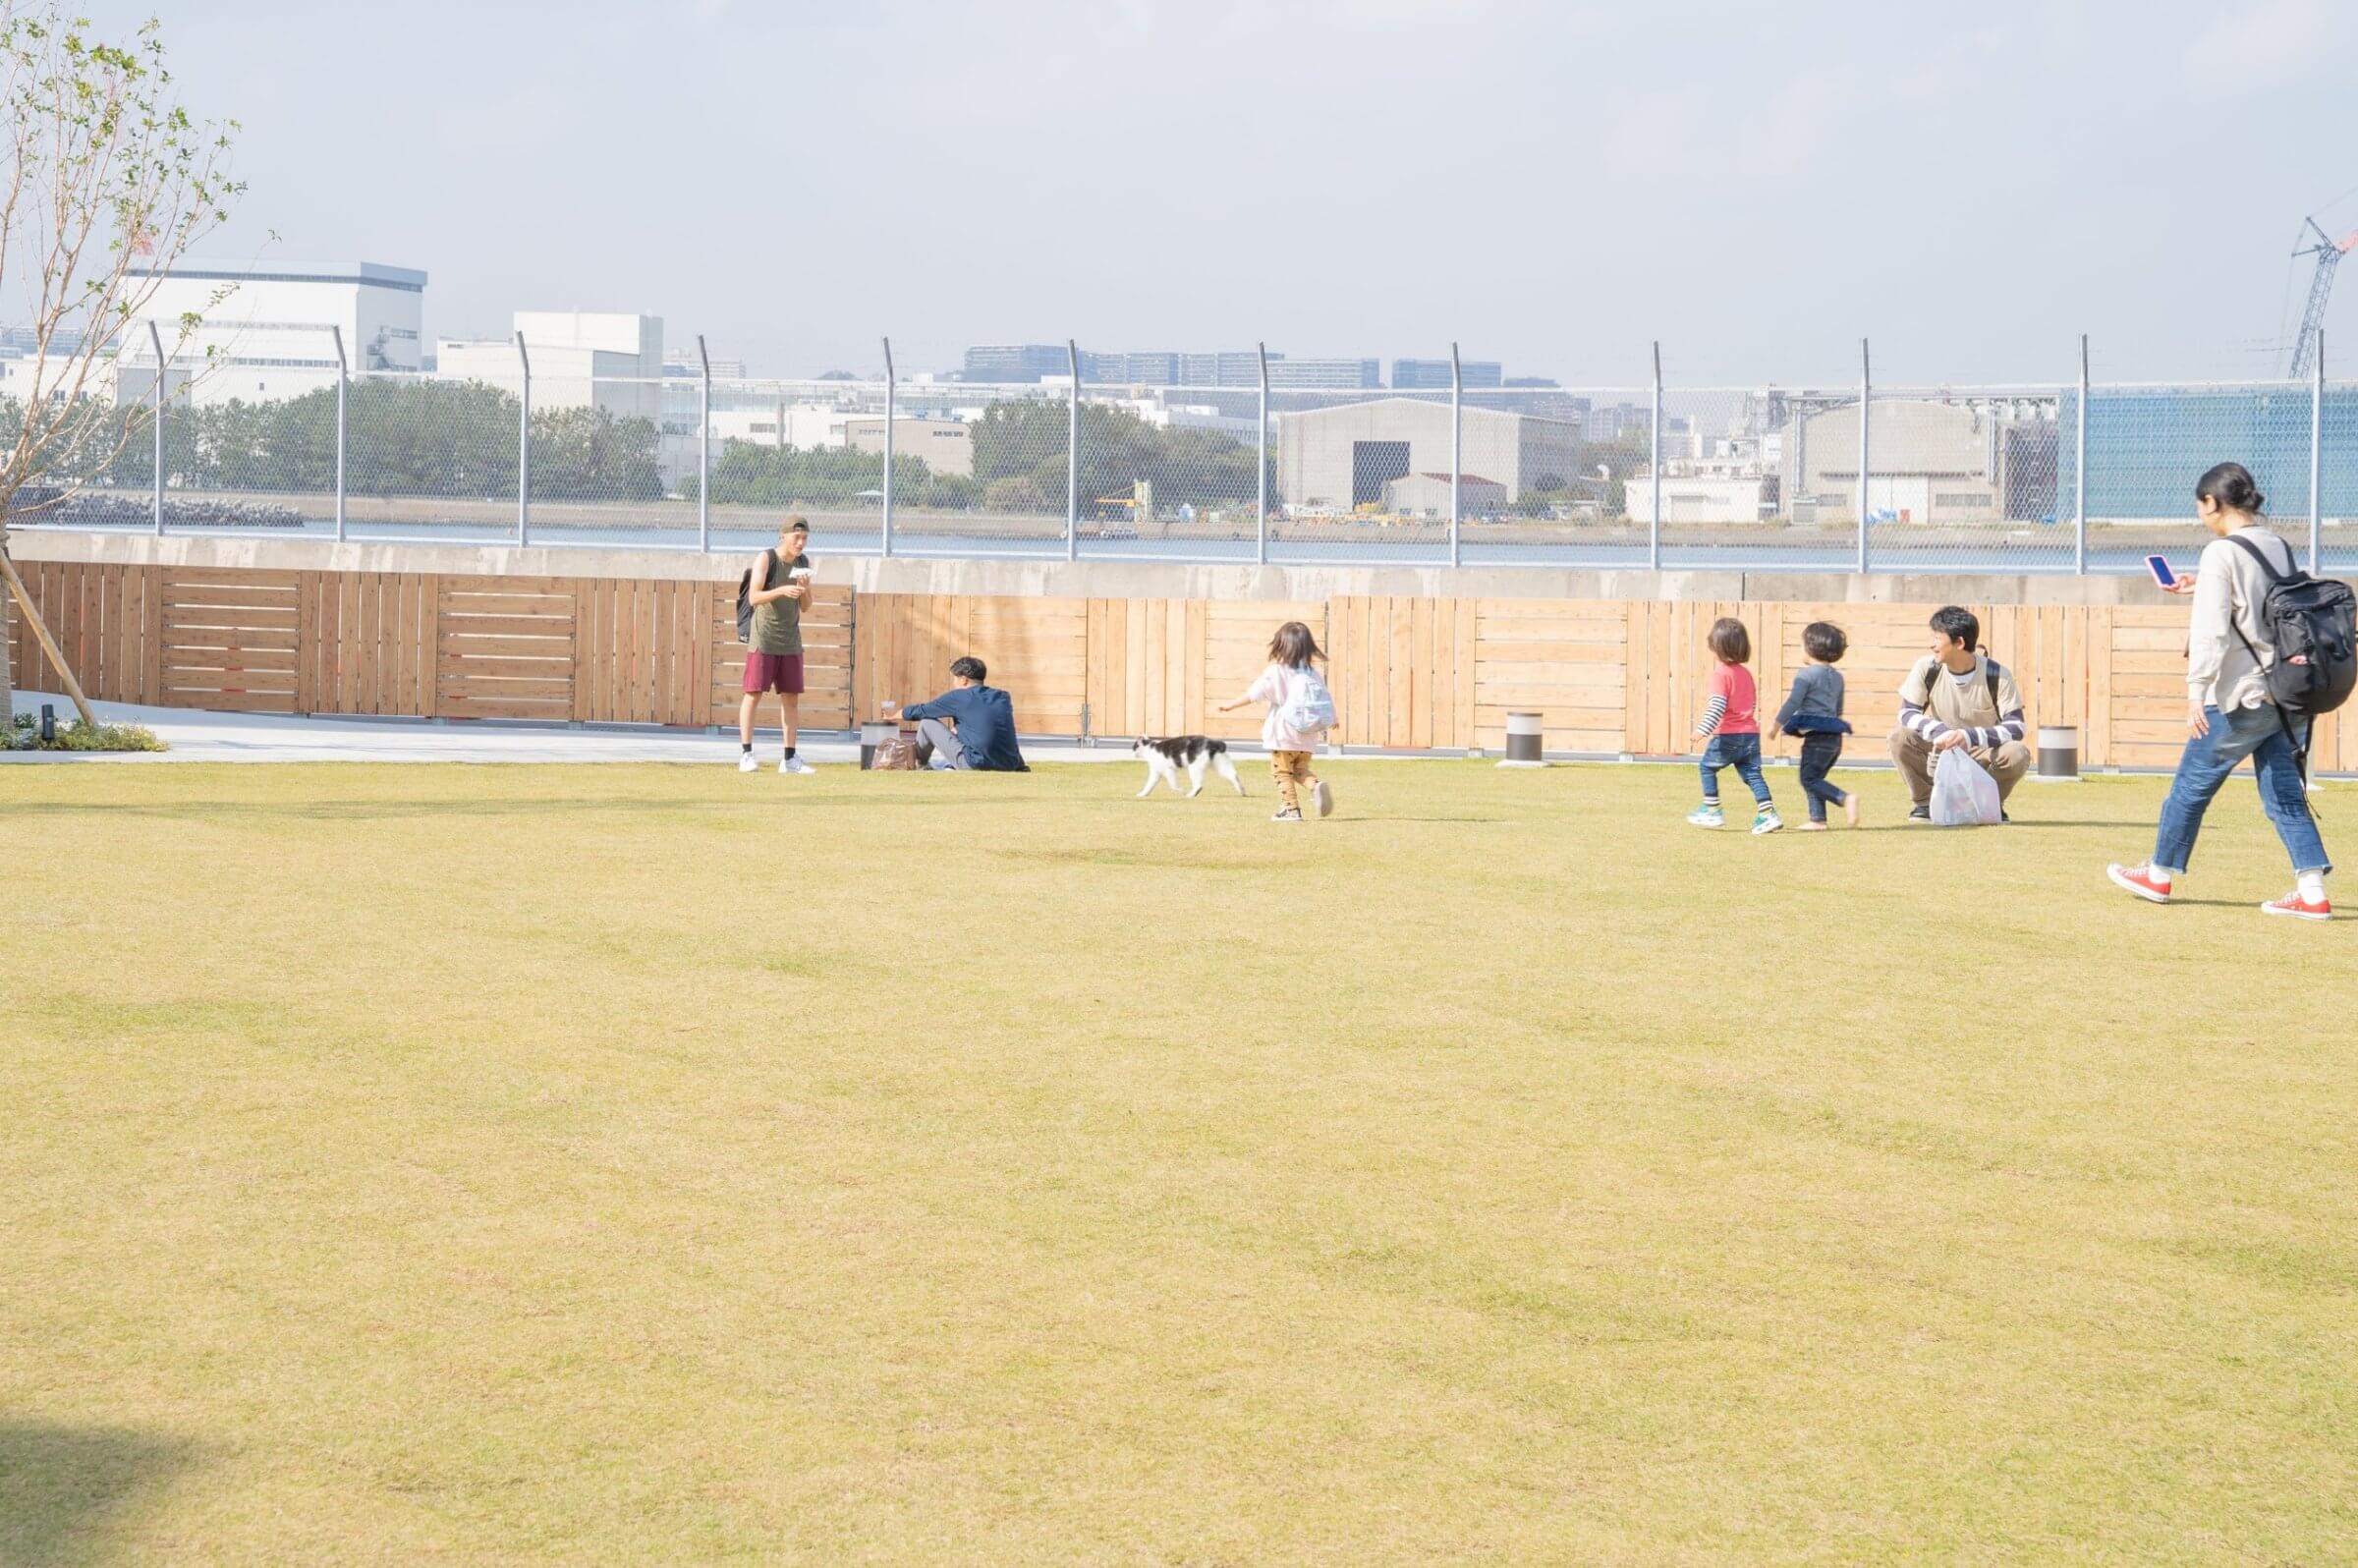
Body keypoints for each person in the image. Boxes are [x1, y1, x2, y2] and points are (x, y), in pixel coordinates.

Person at [2107, 462, 2331, 919]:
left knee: (2191, 785)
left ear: (2212, 502)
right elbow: (2265, 606)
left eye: (2200, 506)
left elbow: (2211, 631)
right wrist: (2200, 586)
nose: (2200, 515)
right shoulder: (2277, 545)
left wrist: (2197, 691)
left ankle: (2159, 873)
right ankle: (2312, 894)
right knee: (2285, 793)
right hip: (2290, 692)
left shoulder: (2221, 553)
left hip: (2244, 694)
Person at [1889, 606, 2030, 822]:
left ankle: (1988, 804)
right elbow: (1907, 712)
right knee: (1899, 736)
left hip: (1981, 751)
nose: (1932, 644)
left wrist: (1968, 736)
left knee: (2017, 753)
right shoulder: (1926, 667)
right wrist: (1940, 732)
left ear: (1960, 643)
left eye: (1937, 637)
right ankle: (1927, 804)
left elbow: (2017, 727)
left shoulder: (1998, 674)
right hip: (1941, 748)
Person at [1215, 620, 1333, 822]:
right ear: (1308, 647)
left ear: (1281, 645)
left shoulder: (1276, 672)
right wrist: (1335, 719)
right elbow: (1325, 699)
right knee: (1299, 770)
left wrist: (1231, 706)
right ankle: (1315, 785)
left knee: (1282, 773)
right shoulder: (1313, 674)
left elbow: (1253, 695)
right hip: (1307, 737)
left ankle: (1291, 810)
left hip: (1282, 735)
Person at [1688, 616, 1780, 834]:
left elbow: (1717, 706)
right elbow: (1751, 703)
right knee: (1753, 774)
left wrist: (1702, 730)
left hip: (1728, 736)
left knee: (1707, 767)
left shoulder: (1721, 674)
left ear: (1716, 646)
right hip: (1750, 735)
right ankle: (1768, 815)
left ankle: (1712, 811)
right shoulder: (1746, 674)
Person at [738, 517, 816, 774]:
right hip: (764, 638)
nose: (801, 543)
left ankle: (790, 759)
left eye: (805, 538)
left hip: (791, 640)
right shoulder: (766, 558)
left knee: (791, 698)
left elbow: (805, 607)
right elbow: (754, 597)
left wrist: (804, 590)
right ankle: (746, 754)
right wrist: (782, 590)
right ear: (783, 536)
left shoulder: (804, 563)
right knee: (753, 694)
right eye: (797, 538)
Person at [1771, 619, 1858, 830]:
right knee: (1815, 777)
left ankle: (1844, 798)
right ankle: (1818, 820)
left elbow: (1793, 702)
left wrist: (1775, 725)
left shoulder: (1805, 675)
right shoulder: (1837, 678)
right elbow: (1838, 710)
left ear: (1811, 647)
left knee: (1808, 778)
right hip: (1834, 739)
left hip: (1816, 739)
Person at [883, 655, 1029, 772]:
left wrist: (894, 714)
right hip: (1009, 765)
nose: (954, 683)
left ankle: (920, 765)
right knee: (961, 729)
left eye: (955, 678)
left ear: (964, 680)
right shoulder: (1003, 696)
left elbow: (923, 711)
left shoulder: (959, 696)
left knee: (927, 722)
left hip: (975, 764)